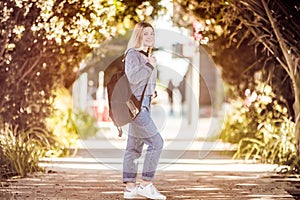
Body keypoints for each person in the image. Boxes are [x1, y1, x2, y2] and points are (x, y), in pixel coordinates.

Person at [122, 22, 166, 200]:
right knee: (157, 143)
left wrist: (151, 91)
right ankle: (146, 184)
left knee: (133, 147)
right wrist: (149, 66)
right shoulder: (133, 54)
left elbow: (141, 82)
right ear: (138, 35)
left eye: (152, 34)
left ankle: (130, 188)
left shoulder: (146, 55)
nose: (149, 37)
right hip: (136, 107)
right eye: (145, 33)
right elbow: (132, 77)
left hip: (143, 104)